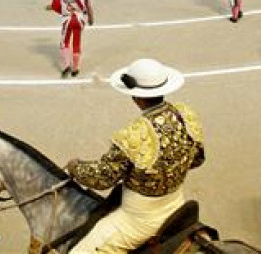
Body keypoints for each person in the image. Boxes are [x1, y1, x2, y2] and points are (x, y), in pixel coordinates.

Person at [65, 58, 205, 253]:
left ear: (135, 97)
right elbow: (197, 160)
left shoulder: (134, 134)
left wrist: (75, 167)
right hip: (176, 203)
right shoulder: (185, 115)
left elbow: (102, 178)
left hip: (140, 220)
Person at [48, 0, 93, 78]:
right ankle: (75, 69)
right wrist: (91, 17)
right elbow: (87, 5)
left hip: (66, 19)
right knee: (76, 43)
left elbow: (55, 6)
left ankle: (66, 66)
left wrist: (53, 8)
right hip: (79, 19)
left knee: (64, 43)